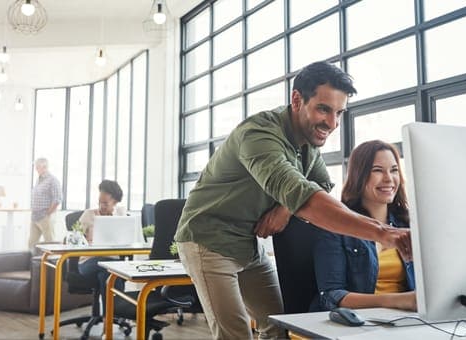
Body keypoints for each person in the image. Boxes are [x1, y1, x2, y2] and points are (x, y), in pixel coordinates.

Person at [174, 61, 412, 339]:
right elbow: (305, 196)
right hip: (207, 240)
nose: (332, 123)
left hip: (247, 244)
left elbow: (321, 184)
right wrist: (382, 233)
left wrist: (284, 210)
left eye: (339, 113)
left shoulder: (307, 146)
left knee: (277, 327)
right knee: (235, 334)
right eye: (324, 109)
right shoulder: (260, 135)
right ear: (297, 99)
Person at [311, 140, 416, 312]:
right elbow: (332, 296)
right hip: (356, 322)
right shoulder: (336, 227)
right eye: (377, 170)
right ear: (359, 175)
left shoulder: (408, 224)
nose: (389, 178)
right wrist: (399, 300)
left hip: (405, 318)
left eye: (394, 170)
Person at [77, 179, 126, 304]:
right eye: (100, 202)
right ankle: (118, 313)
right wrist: (83, 240)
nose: (101, 206)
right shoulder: (89, 214)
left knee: (106, 274)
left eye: (105, 203)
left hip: (112, 262)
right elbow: (74, 238)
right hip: (88, 262)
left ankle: (108, 317)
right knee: (110, 269)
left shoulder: (120, 216)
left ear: (115, 202)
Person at [28, 157, 62, 251]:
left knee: (50, 243)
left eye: (38, 166)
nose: (36, 169)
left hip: (45, 217)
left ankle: (53, 264)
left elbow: (57, 199)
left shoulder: (52, 180)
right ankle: (32, 264)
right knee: (31, 244)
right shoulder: (39, 180)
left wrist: (48, 213)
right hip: (35, 217)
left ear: (45, 167)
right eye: (36, 166)